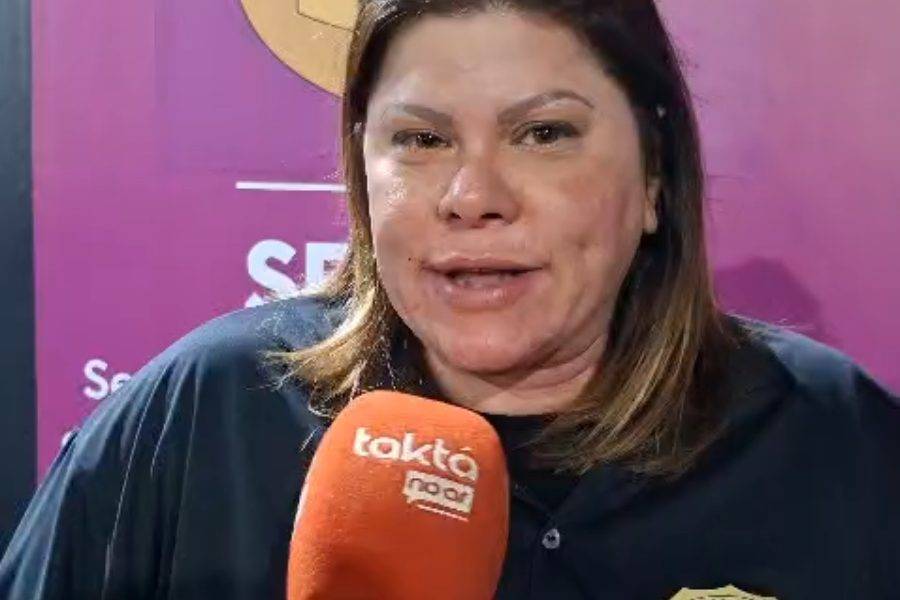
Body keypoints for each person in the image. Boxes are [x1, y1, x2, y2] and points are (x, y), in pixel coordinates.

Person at [2, 1, 898, 598]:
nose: (472, 196)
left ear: (655, 174)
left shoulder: (830, 435)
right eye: (422, 140)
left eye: (544, 133)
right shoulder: (204, 412)